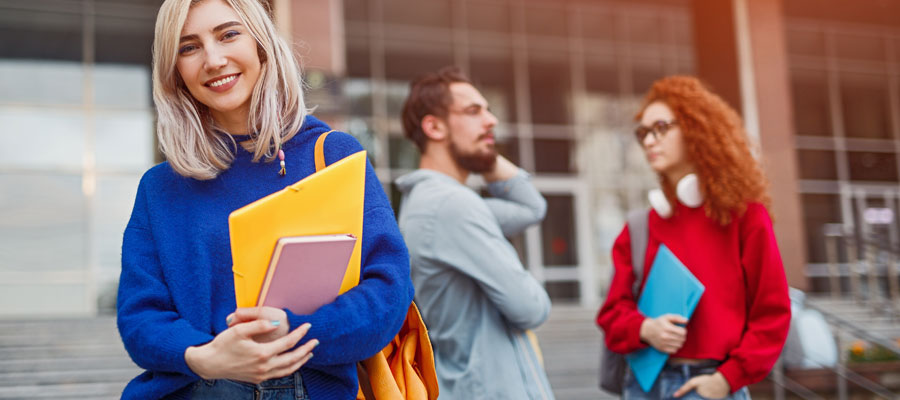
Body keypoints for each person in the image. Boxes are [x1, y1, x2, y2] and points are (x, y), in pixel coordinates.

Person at [116, 0, 413, 398]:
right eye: (189, 47)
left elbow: (388, 290)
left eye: (228, 34)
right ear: (175, 71)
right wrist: (203, 355)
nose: (213, 59)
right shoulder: (161, 187)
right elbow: (139, 317)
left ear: (261, 43)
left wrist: (294, 330)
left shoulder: (332, 155)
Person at [596, 76, 791, 399]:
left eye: (660, 127)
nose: (648, 141)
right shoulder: (640, 227)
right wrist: (644, 329)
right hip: (644, 386)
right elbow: (611, 314)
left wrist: (726, 380)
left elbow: (772, 315)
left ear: (695, 129)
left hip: (712, 386)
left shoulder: (745, 218)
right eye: (643, 132)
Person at [394, 66, 555, 400]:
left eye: (488, 110)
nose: (491, 120)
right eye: (473, 111)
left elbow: (531, 208)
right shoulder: (452, 206)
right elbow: (531, 308)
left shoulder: (434, 203)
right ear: (434, 126)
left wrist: (486, 153)